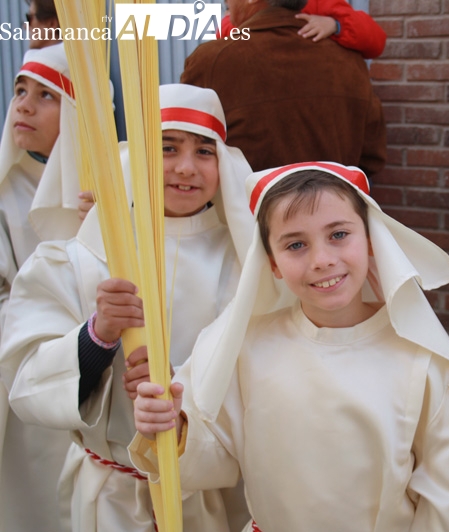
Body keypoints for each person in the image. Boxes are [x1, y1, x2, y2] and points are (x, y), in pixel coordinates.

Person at [130, 162, 449, 531]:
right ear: (271, 263)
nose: (322, 261)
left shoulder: (427, 364)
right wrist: (172, 428)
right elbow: (214, 456)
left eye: (338, 235)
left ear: (370, 239)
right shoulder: (245, 348)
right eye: (296, 244)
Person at [0, 83, 255, 532]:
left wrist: (182, 402)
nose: (185, 168)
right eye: (167, 147)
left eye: (204, 151)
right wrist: (97, 339)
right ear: (135, 156)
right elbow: (25, 378)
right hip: (111, 498)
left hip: (209, 497)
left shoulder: (247, 266)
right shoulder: (82, 258)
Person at [0, 42, 87, 532]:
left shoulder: (106, 191)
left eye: (45, 95)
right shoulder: (5, 188)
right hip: (16, 376)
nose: (25, 105)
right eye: (19, 91)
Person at [181, 0, 386, 176]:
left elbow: (185, 143)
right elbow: (371, 157)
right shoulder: (351, 61)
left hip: (247, 215)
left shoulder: (212, 59)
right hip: (334, 209)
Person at [218, 0, 386, 59]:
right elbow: (222, 37)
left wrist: (335, 25)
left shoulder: (320, 2)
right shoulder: (242, 10)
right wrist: (235, 20)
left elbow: (376, 39)